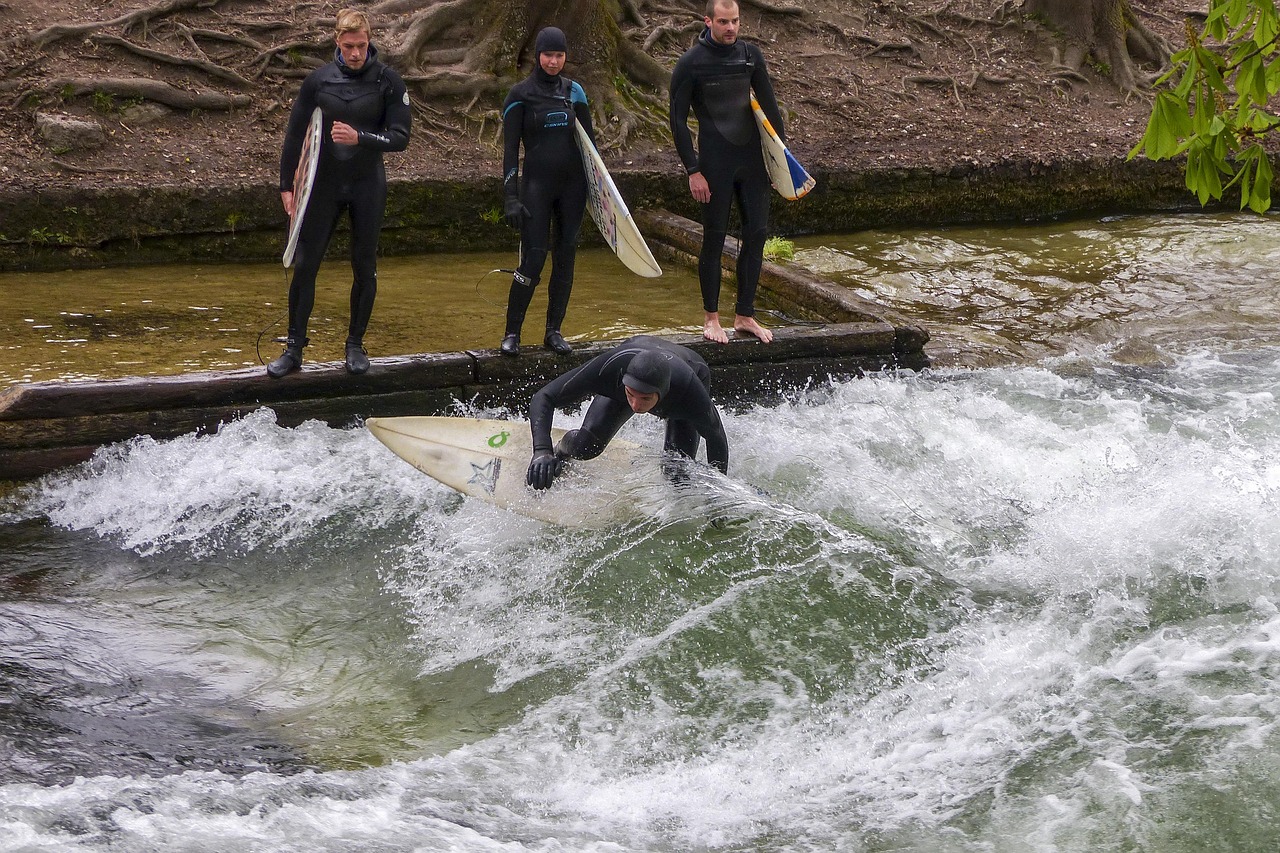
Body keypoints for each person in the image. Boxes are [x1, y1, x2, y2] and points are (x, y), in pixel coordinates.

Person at [268, 8, 411, 378]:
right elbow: (296, 134)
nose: (356, 53)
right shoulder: (317, 82)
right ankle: (294, 348)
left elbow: (400, 138)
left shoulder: (388, 81)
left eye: (362, 45)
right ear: (337, 42)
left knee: (364, 267)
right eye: (349, 46)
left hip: (367, 185)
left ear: (369, 40)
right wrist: (287, 185)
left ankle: (354, 345)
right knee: (306, 265)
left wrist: (360, 137)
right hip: (323, 186)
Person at [669, 0, 784, 346]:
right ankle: (711, 318)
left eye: (735, 21)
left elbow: (770, 110)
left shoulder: (750, 56)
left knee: (757, 235)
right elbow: (676, 121)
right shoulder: (691, 63)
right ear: (708, 21)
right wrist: (693, 170)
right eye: (723, 21)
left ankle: (744, 314)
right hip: (714, 165)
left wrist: (781, 162)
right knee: (714, 239)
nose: (731, 28)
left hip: (752, 163)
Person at [498, 26, 596, 358]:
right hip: (536, 188)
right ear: (537, 56)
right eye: (548, 55)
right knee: (533, 260)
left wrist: (599, 197)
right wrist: (510, 196)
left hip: (573, 188)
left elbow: (590, 150)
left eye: (559, 55)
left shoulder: (575, 92)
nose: (553, 61)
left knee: (565, 258)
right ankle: (512, 333)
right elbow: (510, 150)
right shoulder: (519, 95)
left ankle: (553, 331)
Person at [525, 335, 729, 490]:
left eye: (645, 399)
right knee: (586, 447)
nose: (635, 405)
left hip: (690, 369)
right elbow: (544, 397)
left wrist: (719, 496)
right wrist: (541, 450)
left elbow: (716, 437)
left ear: (662, 394)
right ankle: (561, 450)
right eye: (631, 395)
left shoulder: (688, 393)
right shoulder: (609, 368)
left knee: (677, 475)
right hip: (634, 356)